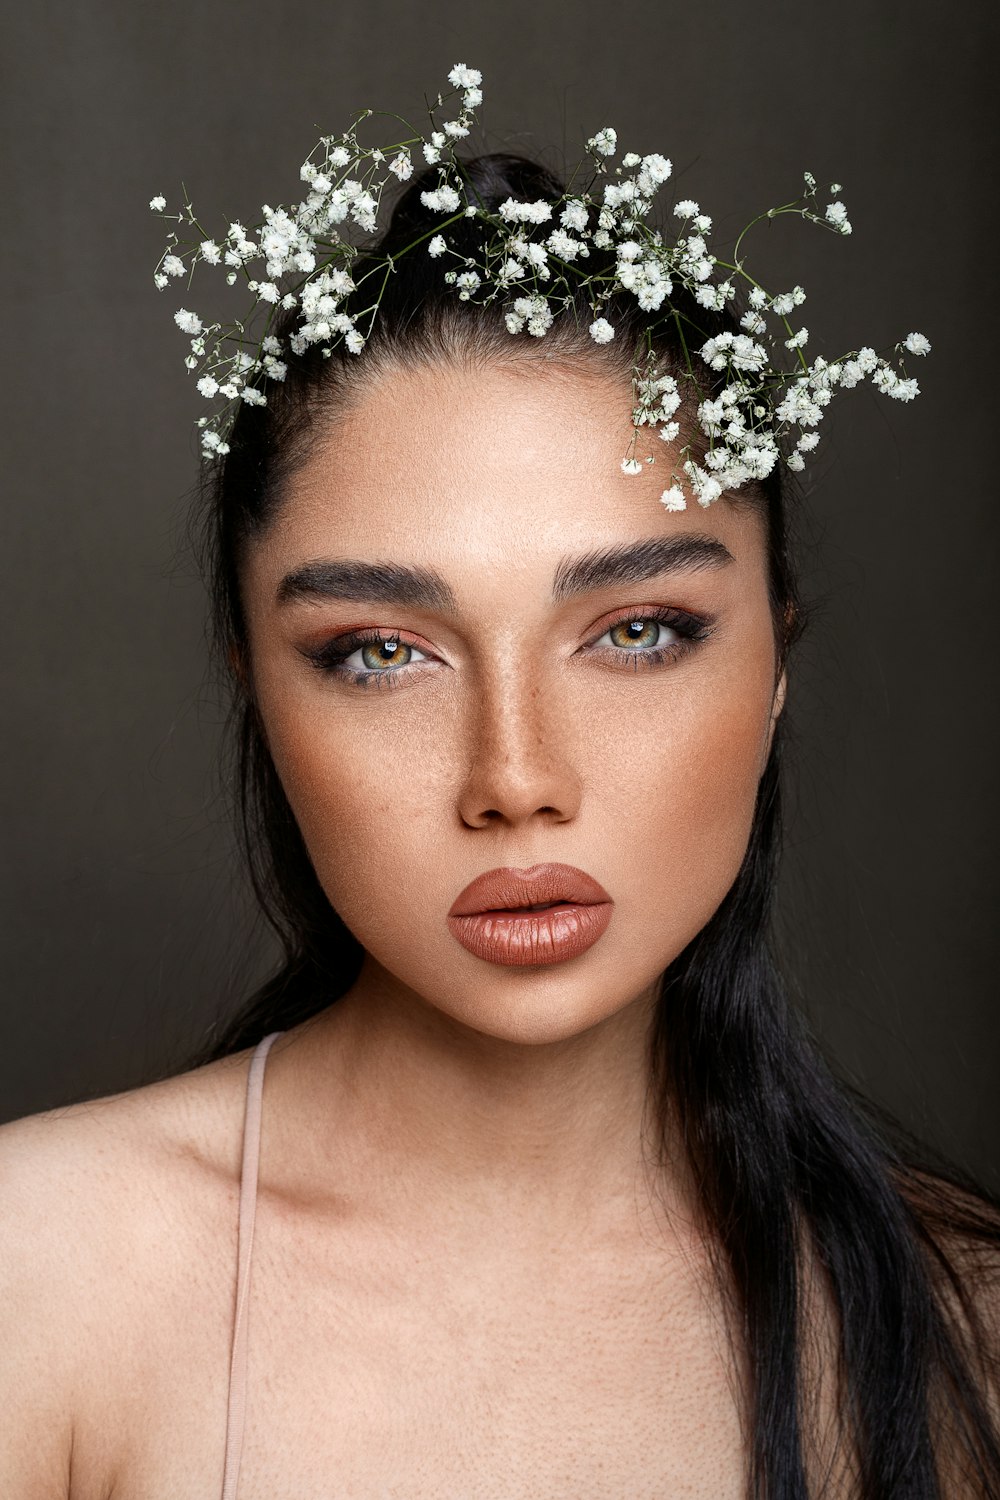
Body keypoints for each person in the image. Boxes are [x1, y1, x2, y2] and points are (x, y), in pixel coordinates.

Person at [1, 71, 998, 1497]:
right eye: (382, 653)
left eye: (639, 631)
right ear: (255, 683)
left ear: (778, 658)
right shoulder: (39, 1280)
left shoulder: (959, 1333)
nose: (515, 779)